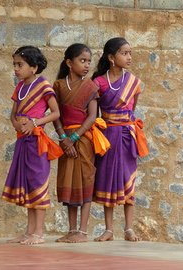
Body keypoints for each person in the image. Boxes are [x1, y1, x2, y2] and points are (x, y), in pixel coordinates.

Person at [2, 46, 63, 245]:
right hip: (22, 140)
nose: (16, 69)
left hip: (37, 142)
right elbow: (13, 113)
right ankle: (29, 232)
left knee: (38, 183)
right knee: (28, 184)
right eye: (15, 65)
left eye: (20, 65)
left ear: (34, 67)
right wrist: (15, 123)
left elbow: (55, 113)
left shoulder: (44, 86)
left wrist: (35, 123)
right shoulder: (19, 87)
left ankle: (39, 232)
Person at [92, 37, 148, 242]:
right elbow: (94, 112)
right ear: (111, 57)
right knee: (108, 178)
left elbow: (132, 108)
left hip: (126, 135)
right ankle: (108, 229)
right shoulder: (98, 82)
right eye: (124, 53)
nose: (129, 57)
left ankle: (128, 228)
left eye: (130, 53)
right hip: (107, 137)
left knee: (128, 178)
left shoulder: (133, 82)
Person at [53, 43, 109, 243]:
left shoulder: (91, 86)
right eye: (82, 61)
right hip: (65, 140)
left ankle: (83, 232)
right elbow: (56, 114)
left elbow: (92, 116)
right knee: (68, 181)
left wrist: (74, 138)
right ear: (69, 62)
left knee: (85, 179)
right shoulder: (58, 85)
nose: (86, 65)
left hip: (83, 140)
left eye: (88, 61)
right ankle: (71, 230)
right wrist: (63, 138)